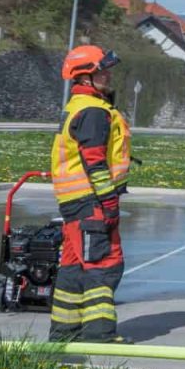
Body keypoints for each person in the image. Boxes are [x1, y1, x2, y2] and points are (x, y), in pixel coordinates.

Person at [48, 45, 132, 343]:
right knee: (103, 264)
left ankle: (64, 332)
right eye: (102, 71)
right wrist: (108, 202)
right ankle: (99, 334)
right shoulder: (94, 112)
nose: (108, 75)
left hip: (75, 201)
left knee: (72, 266)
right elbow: (94, 161)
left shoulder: (77, 107)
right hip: (91, 201)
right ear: (85, 76)